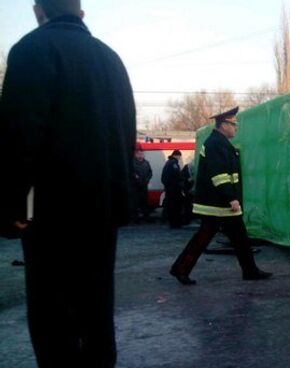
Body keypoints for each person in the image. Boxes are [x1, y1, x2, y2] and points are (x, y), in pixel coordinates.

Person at [0, 1, 136, 366]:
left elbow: (20, 136)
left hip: (52, 212)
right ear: (81, 13)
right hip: (103, 213)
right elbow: (126, 135)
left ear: (37, 11)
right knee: (96, 310)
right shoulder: (111, 59)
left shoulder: (31, 51)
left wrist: (11, 206)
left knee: (53, 317)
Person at [170, 106, 272, 285]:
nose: (236, 128)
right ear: (223, 125)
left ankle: (250, 270)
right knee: (204, 238)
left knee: (239, 238)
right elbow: (219, 175)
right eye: (234, 124)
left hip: (221, 204)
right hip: (218, 205)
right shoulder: (215, 144)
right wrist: (231, 198)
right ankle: (181, 269)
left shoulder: (219, 143)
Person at [162, 149, 184, 228]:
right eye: (179, 156)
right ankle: (175, 223)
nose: (179, 158)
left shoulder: (168, 163)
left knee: (171, 206)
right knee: (175, 206)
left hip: (170, 188)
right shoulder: (173, 163)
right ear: (176, 155)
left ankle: (172, 222)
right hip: (174, 189)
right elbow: (177, 176)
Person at [133, 146, 153, 223]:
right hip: (136, 186)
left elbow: (150, 172)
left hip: (144, 186)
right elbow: (130, 172)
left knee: (144, 202)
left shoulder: (146, 163)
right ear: (136, 155)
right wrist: (135, 177)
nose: (140, 155)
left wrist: (147, 179)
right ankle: (135, 219)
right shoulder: (132, 163)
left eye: (142, 154)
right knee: (136, 203)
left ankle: (146, 218)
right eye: (139, 154)